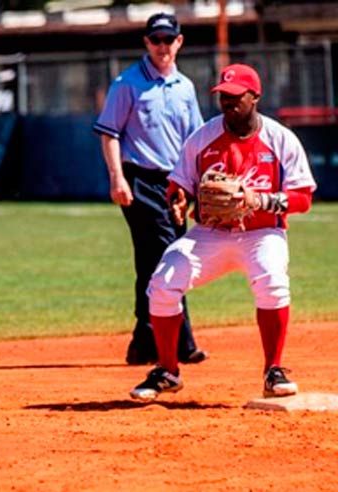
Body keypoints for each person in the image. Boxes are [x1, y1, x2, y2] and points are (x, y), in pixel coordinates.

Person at [129, 63, 317, 401]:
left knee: (273, 280)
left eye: (235, 96)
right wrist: (179, 200)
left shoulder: (280, 139)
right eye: (223, 96)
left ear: (254, 96)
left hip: (262, 232)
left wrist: (257, 199)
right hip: (212, 233)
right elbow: (178, 186)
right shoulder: (203, 138)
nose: (228, 102)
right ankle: (168, 371)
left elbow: (303, 198)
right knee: (163, 280)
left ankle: (273, 370)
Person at [93, 12, 207, 366]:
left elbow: (195, 139)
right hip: (140, 179)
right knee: (168, 254)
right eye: (155, 39)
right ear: (146, 42)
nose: (162, 46)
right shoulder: (127, 83)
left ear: (179, 42)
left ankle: (144, 342)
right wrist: (117, 177)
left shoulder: (185, 87)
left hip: (175, 182)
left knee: (153, 262)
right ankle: (182, 342)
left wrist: (196, 187)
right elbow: (109, 132)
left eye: (168, 39)